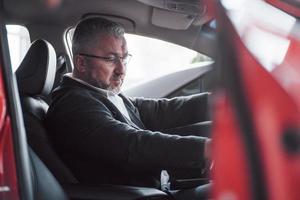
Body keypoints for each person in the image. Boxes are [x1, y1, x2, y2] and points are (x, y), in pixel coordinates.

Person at [45, 17, 212, 190]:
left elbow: (159, 111)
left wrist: (217, 103)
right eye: (111, 59)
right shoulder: (74, 106)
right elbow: (134, 144)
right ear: (81, 63)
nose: (122, 69)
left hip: (154, 188)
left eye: (124, 59)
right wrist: (206, 149)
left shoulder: (100, 93)